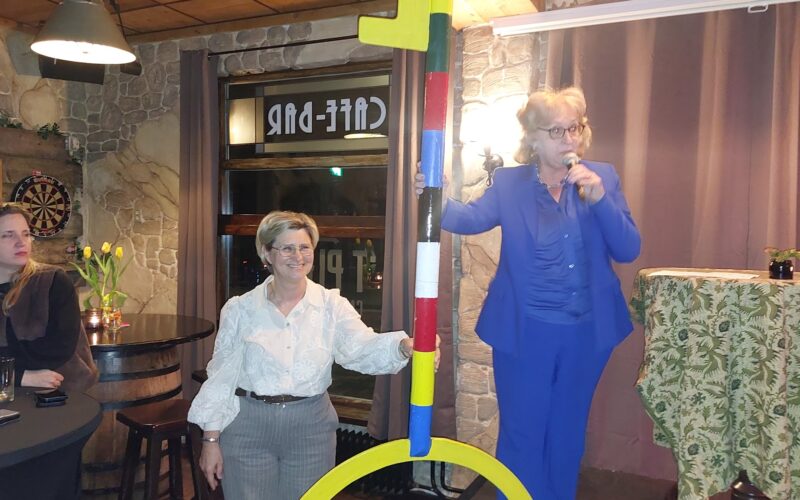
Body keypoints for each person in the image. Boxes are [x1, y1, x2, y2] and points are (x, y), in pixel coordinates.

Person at [416, 86, 640, 499]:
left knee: (567, 430)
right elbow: (469, 219)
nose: (569, 139)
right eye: (556, 131)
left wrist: (600, 200)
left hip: (586, 332)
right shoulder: (510, 183)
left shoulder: (602, 178)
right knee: (522, 431)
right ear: (533, 138)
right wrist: (435, 197)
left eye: (574, 128)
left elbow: (628, 249)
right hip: (525, 330)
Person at [188, 210, 438, 499]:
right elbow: (221, 377)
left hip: (311, 429)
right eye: (287, 248)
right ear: (267, 253)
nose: (298, 256)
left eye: (305, 247)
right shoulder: (239, 309)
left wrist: (403, 346)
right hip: (247, 428)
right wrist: (210, 440)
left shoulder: (331, 305)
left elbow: (361, 347)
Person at [0, 203, 98, 392]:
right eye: (8, 235)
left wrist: (10, 372)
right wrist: (21, 376)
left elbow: (58, 349)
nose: (21, 242)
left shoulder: (52, 281)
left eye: (26, 234)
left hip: (58, 392)